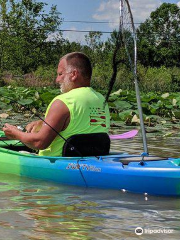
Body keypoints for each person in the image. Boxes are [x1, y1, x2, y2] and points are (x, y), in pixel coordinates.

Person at [3, 52, 110, 156]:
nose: (57, 79)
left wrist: (15, 133)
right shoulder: (101, 99)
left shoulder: (63, 102)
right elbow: (80, 125)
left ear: (73, 74)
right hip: (92, 161)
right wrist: (43, 123)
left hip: (56, 167)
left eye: (60, 74)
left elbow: (39, 143)